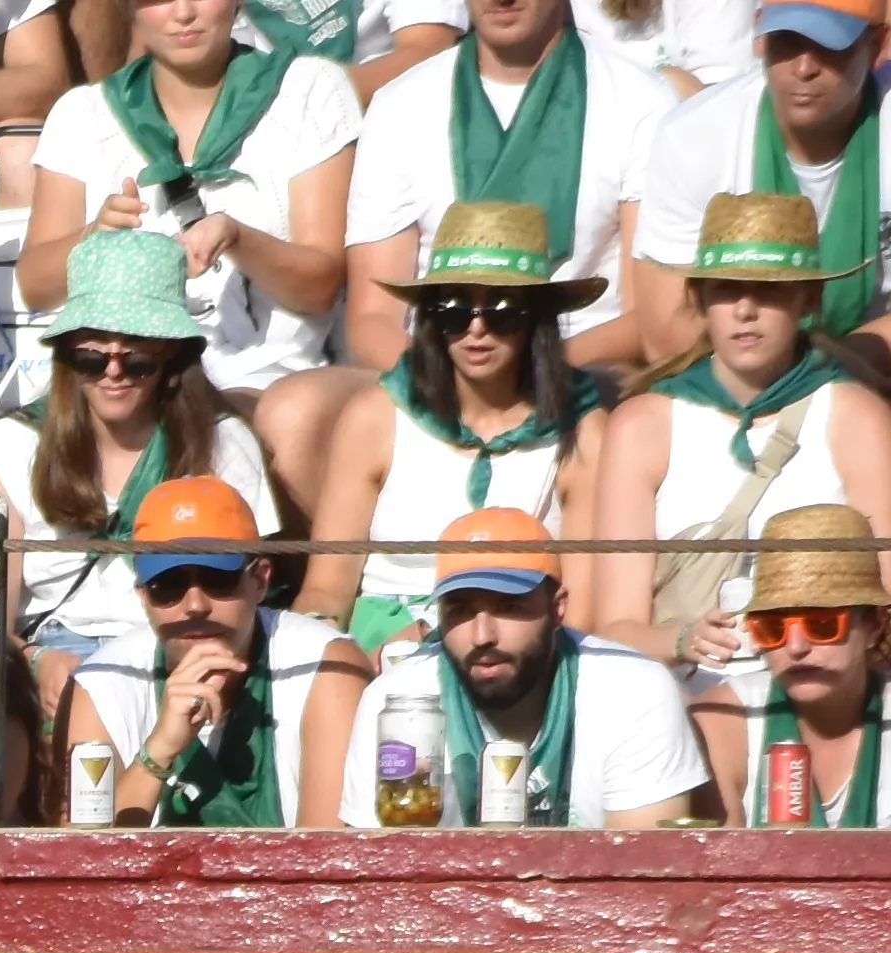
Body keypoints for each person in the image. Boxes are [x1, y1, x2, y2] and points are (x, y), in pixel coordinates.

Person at [25, 0, 365, 487]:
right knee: (8, 447)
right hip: (119, 374)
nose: (183, 12)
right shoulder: (83, 114)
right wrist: (92, 239)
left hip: (264, 375)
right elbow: (35, 284)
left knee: (227, 434)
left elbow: (319, 284)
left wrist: (240, 239)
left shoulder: (307, 90)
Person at [0, 226, 278, 687]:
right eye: (92, 359)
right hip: (50, 654)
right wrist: (33, 661)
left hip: (183, 653)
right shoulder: (11, 444)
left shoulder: (225, 441)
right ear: (68, 355)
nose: (113, 373)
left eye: (137, 360)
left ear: (170, 355)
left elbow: (250, 598)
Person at [572, 187, 889, 643]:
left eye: (768, 289)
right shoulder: (642, 426)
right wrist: (681, 641)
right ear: (700, 300)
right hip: (686, 697)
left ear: (808, 299)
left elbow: (886, 609)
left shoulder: (857, 418)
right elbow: (617, 628)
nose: (745, 310)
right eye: (726, 289)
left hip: (825, 693)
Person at [306, 198, 597, 643]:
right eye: (455, 310)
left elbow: (581, 611)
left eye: (503, 310)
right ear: (430, 318)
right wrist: (336, 661)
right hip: (382, 651)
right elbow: (326, 590)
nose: (476, 329)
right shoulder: (374, 417)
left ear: (537, 319)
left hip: (520, 658)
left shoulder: (583, 432)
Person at [343, 0, 670, 368]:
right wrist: (446, 388)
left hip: (579, 370)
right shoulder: (397, 106)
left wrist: (528, 380)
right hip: (434, 368)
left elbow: (651, 316)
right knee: (294, 407)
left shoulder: (643, 102)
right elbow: (373, 319)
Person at [341, 497, 712, 810]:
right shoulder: (395, 706)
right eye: (460, 610)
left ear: (558, 608)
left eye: (510, 607)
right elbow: (379, 874)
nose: (482, 635)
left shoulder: (633, 690)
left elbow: (644, 878)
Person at [625, 0, 882, 368]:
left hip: (868, 374)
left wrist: (830, 375)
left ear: (876, 45)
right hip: (728, 383)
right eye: (787, 41)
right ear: (759, 38)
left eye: (830, 46)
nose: (804, 68)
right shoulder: (693, 135)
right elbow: (665, 331)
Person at [87, 468, 357, 816]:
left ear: (260, 580)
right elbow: (79, 862)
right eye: (168, 585)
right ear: (142, 595)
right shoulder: (103, 682)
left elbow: (329, 856)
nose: (195, 605)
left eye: (218, 579)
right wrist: (160, 749)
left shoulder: (326, 668)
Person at [695, 493, 887, 814]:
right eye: (772, 628)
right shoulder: (721, 721)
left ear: (873, 626)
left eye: (822, 625)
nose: (796, 647)